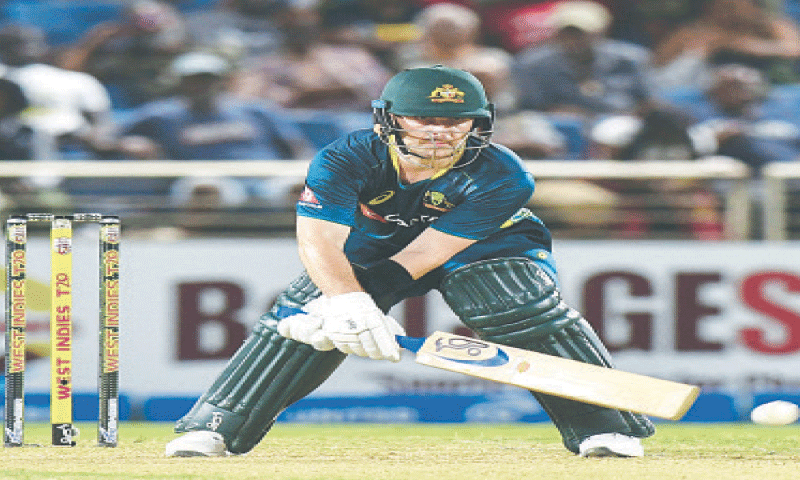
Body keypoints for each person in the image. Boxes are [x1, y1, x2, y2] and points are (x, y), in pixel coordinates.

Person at [164, 65, 654, 458]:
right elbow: (318, 241)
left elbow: (428, 254)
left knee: (513, 303)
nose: (439, 133)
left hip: (488, 245)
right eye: (424, 119)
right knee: (302, 311)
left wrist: (355, 303)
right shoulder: (345, 157)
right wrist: (342, 301)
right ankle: (217, 426)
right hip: (374, 241)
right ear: (390, 119)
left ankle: (606, 426)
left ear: (478, 123)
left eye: (454, 121)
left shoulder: (504, 174)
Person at [118, 51, 313, 208]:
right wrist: (130, 143)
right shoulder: (161, 115)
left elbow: (297, 146)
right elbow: (111, 138)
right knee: (204, 187)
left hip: (267, 179)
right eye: (193, 79)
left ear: (221, 81)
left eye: (207, 79)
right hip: (210, 179)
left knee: (297, 186)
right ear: (180, 82)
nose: (201, 85)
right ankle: (198, 240)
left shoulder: (255, 110)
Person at [652, 0, 800, 89]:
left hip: (772, 88)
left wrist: (739, 44)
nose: (728, 12)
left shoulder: (771, 25)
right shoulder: (694, 31)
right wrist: (698, 51)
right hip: (711, 91)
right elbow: (657, 66)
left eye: (732, 6)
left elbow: (794, 49)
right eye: (722, 6)